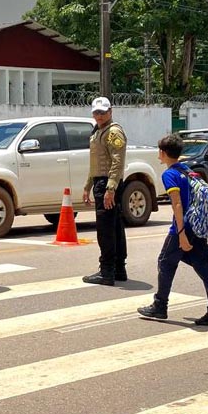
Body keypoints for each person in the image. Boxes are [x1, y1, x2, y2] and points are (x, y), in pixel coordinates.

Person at [138, 134, 208, 326]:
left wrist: (180, 234)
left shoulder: (169, 174)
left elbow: (177, 204)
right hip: (196, 224)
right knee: (203, 265)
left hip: (183, 226)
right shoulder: (187, 170)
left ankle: (160, 306)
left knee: (165, 262)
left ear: (162, 152)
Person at [82, 97, 128, 285]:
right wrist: (87, 186)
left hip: (109, 184)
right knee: (114, 226)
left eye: (102, 112)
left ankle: (107, 271)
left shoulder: (113, 132)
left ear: (110, 112)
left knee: (106, 229)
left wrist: (110, 188)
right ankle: (118, 269)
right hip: (101, 182)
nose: (99, 116)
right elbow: (96, 164)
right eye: (96, 112)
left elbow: (118, 162)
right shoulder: (98, 131)